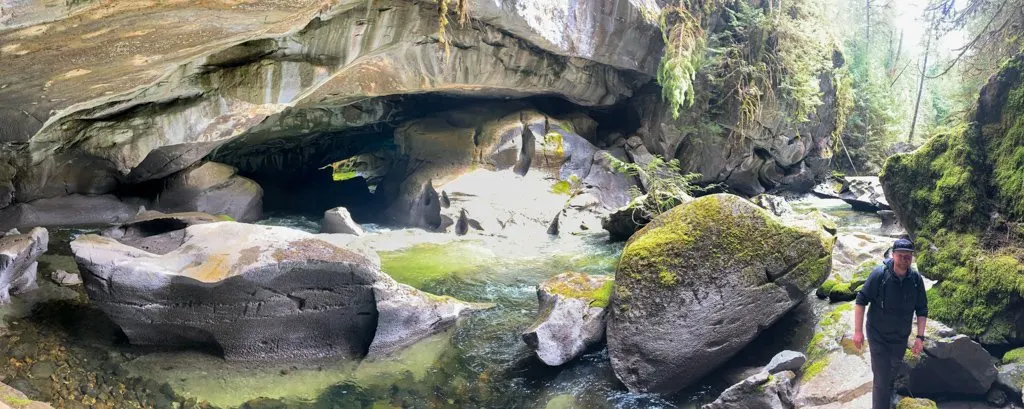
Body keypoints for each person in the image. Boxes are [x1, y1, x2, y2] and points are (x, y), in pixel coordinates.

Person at [852, 237, 928, 409]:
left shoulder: (915, 279)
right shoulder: (880, 275)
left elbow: (922, 309)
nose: (904, 259)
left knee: (892, 371)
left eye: (908, 256)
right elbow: (861, 300)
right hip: (878, 334)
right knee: (881, 377)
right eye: (901, 255)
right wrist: (858, 332)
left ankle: (888, 397)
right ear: (893, 255)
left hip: (900, 336)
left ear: (912, 258)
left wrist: (920, 337)